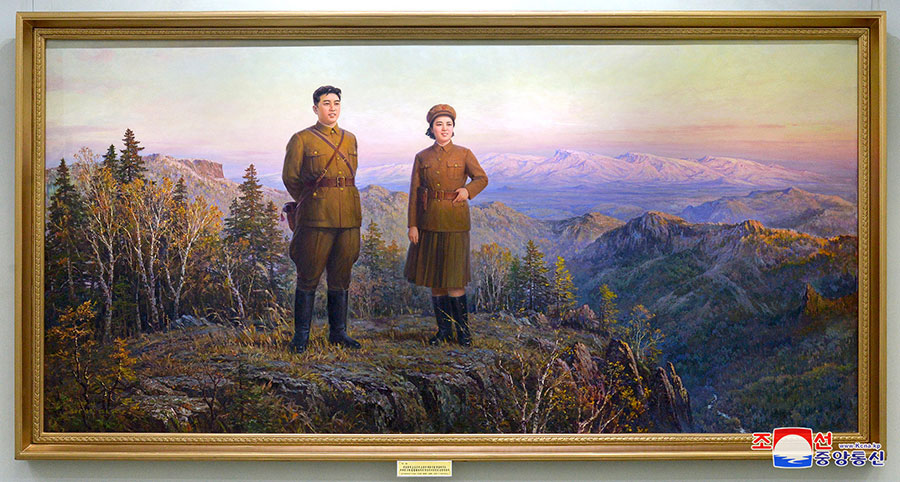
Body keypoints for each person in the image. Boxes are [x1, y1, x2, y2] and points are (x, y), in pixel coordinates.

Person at [282, 85, 362, 353]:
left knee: (341, 276)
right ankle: (301, 337)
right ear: (316, 108)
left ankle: (338, 334)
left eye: (336, 103)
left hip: (348, 217)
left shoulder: (350, 139)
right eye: (326, 103)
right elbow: (290, 177)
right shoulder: (301, 139)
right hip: (315, 219)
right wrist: (311, 202)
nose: (332, 108)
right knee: (308, 276)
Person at [404, 104, 488, 346]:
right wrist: (413, 225)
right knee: (436, 281)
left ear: (453, 128)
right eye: (439, 124)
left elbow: (482, 178)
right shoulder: (422, 157)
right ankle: (443, 332)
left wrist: (468, 191)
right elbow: (414, 193)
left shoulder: (464, 153)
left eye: (448, 124)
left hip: (455, 223)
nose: (444, 128)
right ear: (431, 128)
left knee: (455, 279)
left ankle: (463, 332)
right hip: (429, 223)